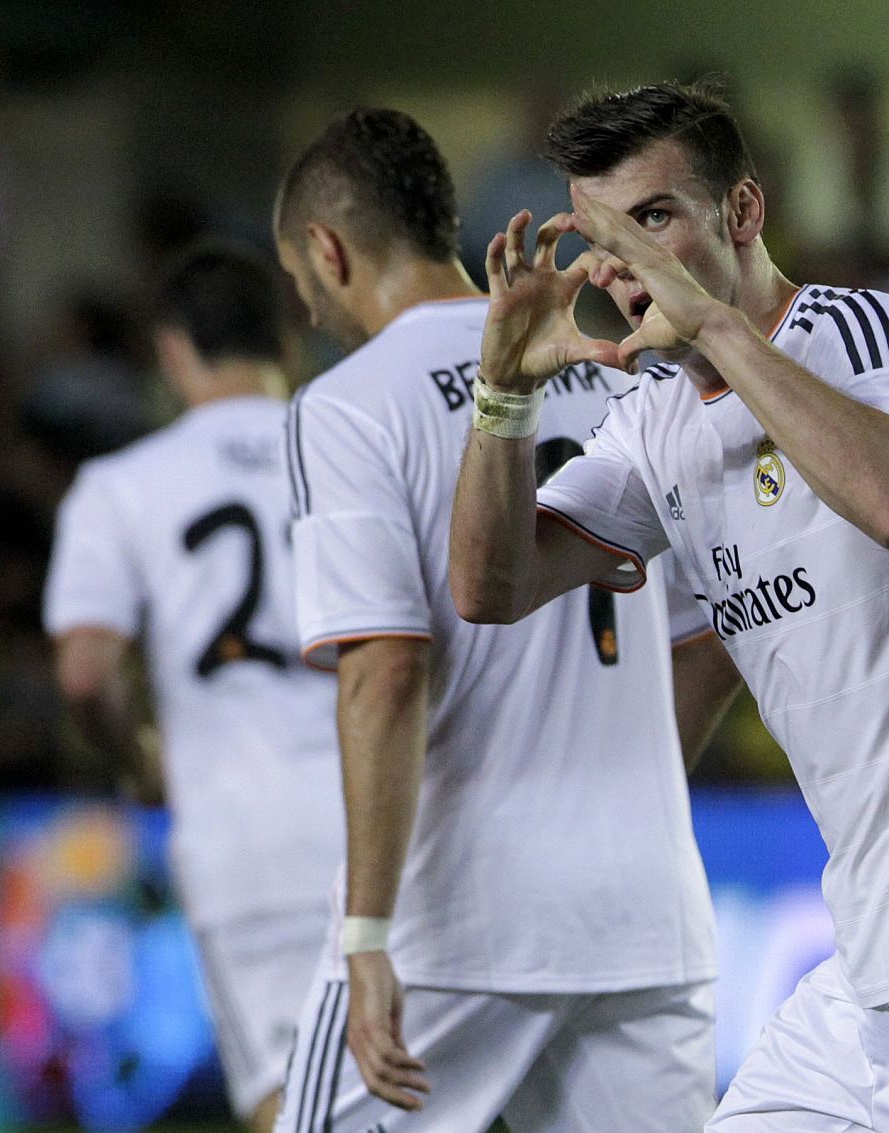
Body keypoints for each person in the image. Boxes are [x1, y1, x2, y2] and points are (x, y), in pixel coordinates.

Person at [449, 80, 889, 1131]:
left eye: (654, 219)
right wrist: (503, 394)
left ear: (742, 212)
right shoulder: (652, 426)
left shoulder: (860, 330)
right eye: (601, 237)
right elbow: (489, 585)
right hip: (868, 956)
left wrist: (718, 334)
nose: (623, 266)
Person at [269, 107, 717, 1133]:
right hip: (643, 909)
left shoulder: (346, 404)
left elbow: (384, 668)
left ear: (326, 252)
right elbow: (704, 640)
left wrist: (368, 929)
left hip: (455, 924)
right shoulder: (618, 372)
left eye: (300, 280)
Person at [43, 240, 342, 1133]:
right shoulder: (358, 446)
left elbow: (84, 669)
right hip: (382, 824)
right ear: (286, 342)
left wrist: (134, 753)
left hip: (240, 833)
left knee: (291, 1107)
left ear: (171, 351)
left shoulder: (122, 486)